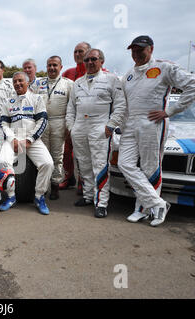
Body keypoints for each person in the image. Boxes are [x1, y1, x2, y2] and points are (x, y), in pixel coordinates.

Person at [119, 35, 195, 226]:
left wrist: (170, 111)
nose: (136, 54)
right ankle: (158, 203)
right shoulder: (128, 74)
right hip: (130, 124)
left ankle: (145, 210)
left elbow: (193, 85)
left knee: (150, 167)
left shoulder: (164, 67)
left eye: (141, 50)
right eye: (134, 51)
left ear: (151, 49)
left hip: (152, 122)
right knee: (124, 163)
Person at [66, 48, 126, 218]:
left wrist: (111, 125)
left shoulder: (112, 80)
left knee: (100, 165)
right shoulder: (77, 82)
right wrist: (71, 127)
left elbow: (121, 106)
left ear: (101, 61)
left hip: (100, 126)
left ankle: (101, 203)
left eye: (93, 59)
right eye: (87, 60)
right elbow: (71, 108)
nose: (90, 63)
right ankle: (88, 196)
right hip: (80, 127)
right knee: (83, 164)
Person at [0, 72, 54, 214]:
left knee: (48, 163)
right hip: (14, 139)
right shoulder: (8, 101)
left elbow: (42, 122)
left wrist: (30, 140)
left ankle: (39, 196)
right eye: (15, 81)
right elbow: (4, 124)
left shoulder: (37, 99)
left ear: (28, 82)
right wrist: (13, 140)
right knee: (3, 162)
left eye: (20, 81)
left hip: (32, 140)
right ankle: (11, 197)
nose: (17, 84)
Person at [32, 56, 74, 200]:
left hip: (59, 121)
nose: (51, 68)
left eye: (55, 65)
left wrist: (69, 126)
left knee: (57, 156)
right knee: (42, 156)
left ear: (61, 67)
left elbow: (72, 106)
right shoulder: (38, 83)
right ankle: (42, 188)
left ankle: (55, 185)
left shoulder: (68, 84)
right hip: (41, 122)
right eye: (49, 65)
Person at [61, 41, 92, 192]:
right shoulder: (68, 73)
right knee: (66, 151)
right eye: (75, 52)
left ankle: (83, 181)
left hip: (89, 120)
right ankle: (68, 177)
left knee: (83, 153)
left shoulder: (99, 72)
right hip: (70, 119)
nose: (78, 54)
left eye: (81, 51)